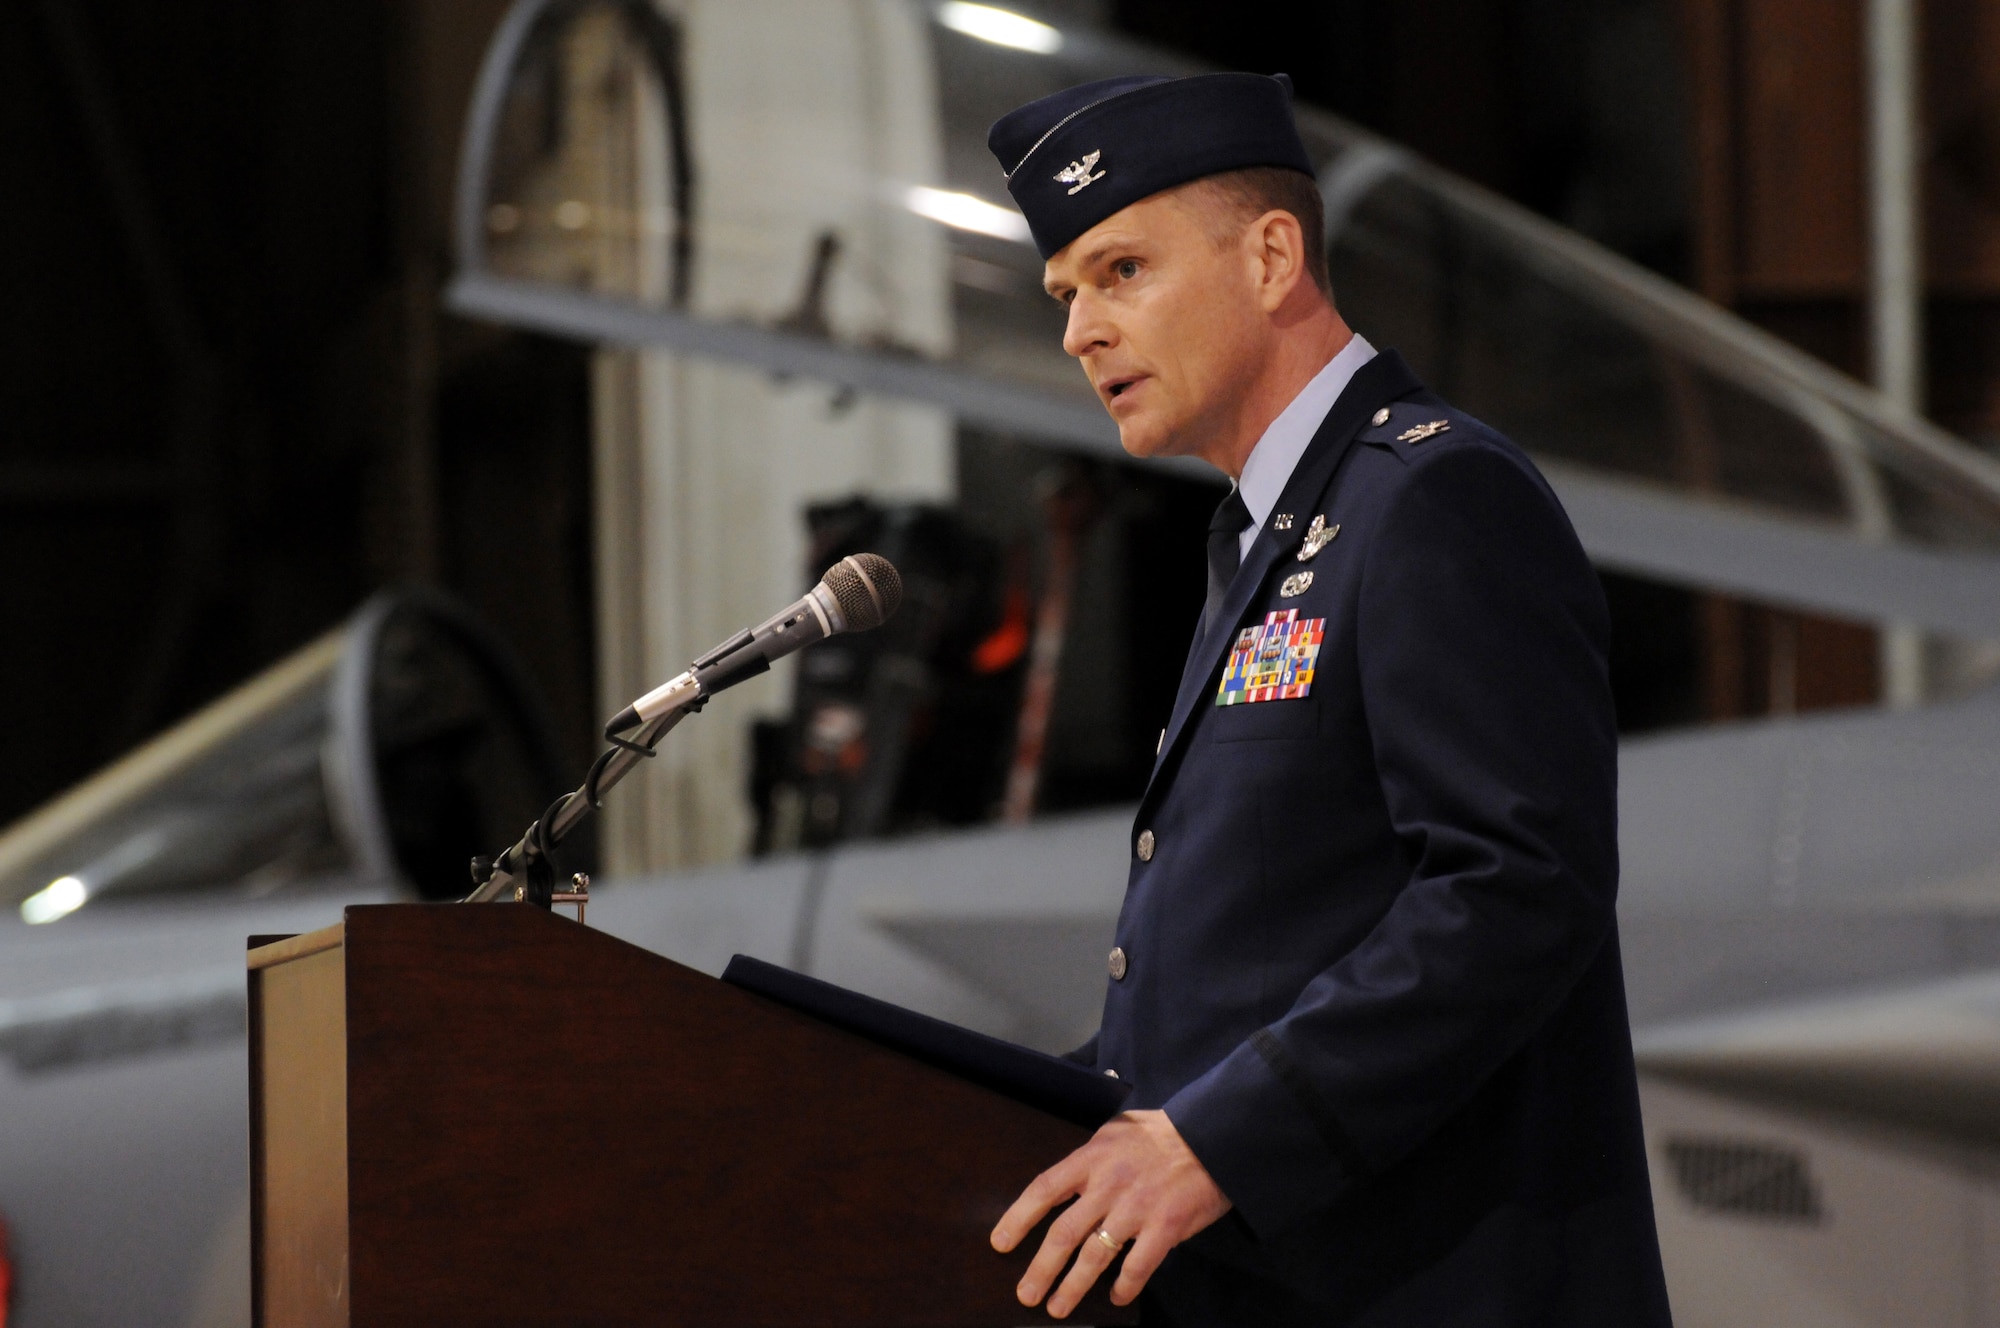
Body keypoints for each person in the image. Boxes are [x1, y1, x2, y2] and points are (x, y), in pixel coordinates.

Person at [982, 73, 1672, 1326]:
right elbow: (1262, 950)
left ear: (1270, 256)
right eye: (1065, 293)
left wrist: (1215, 1141)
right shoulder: (1265, 538)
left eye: (1120, 269)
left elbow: (1513, 886)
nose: (1080, 328)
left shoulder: (1433, 500)